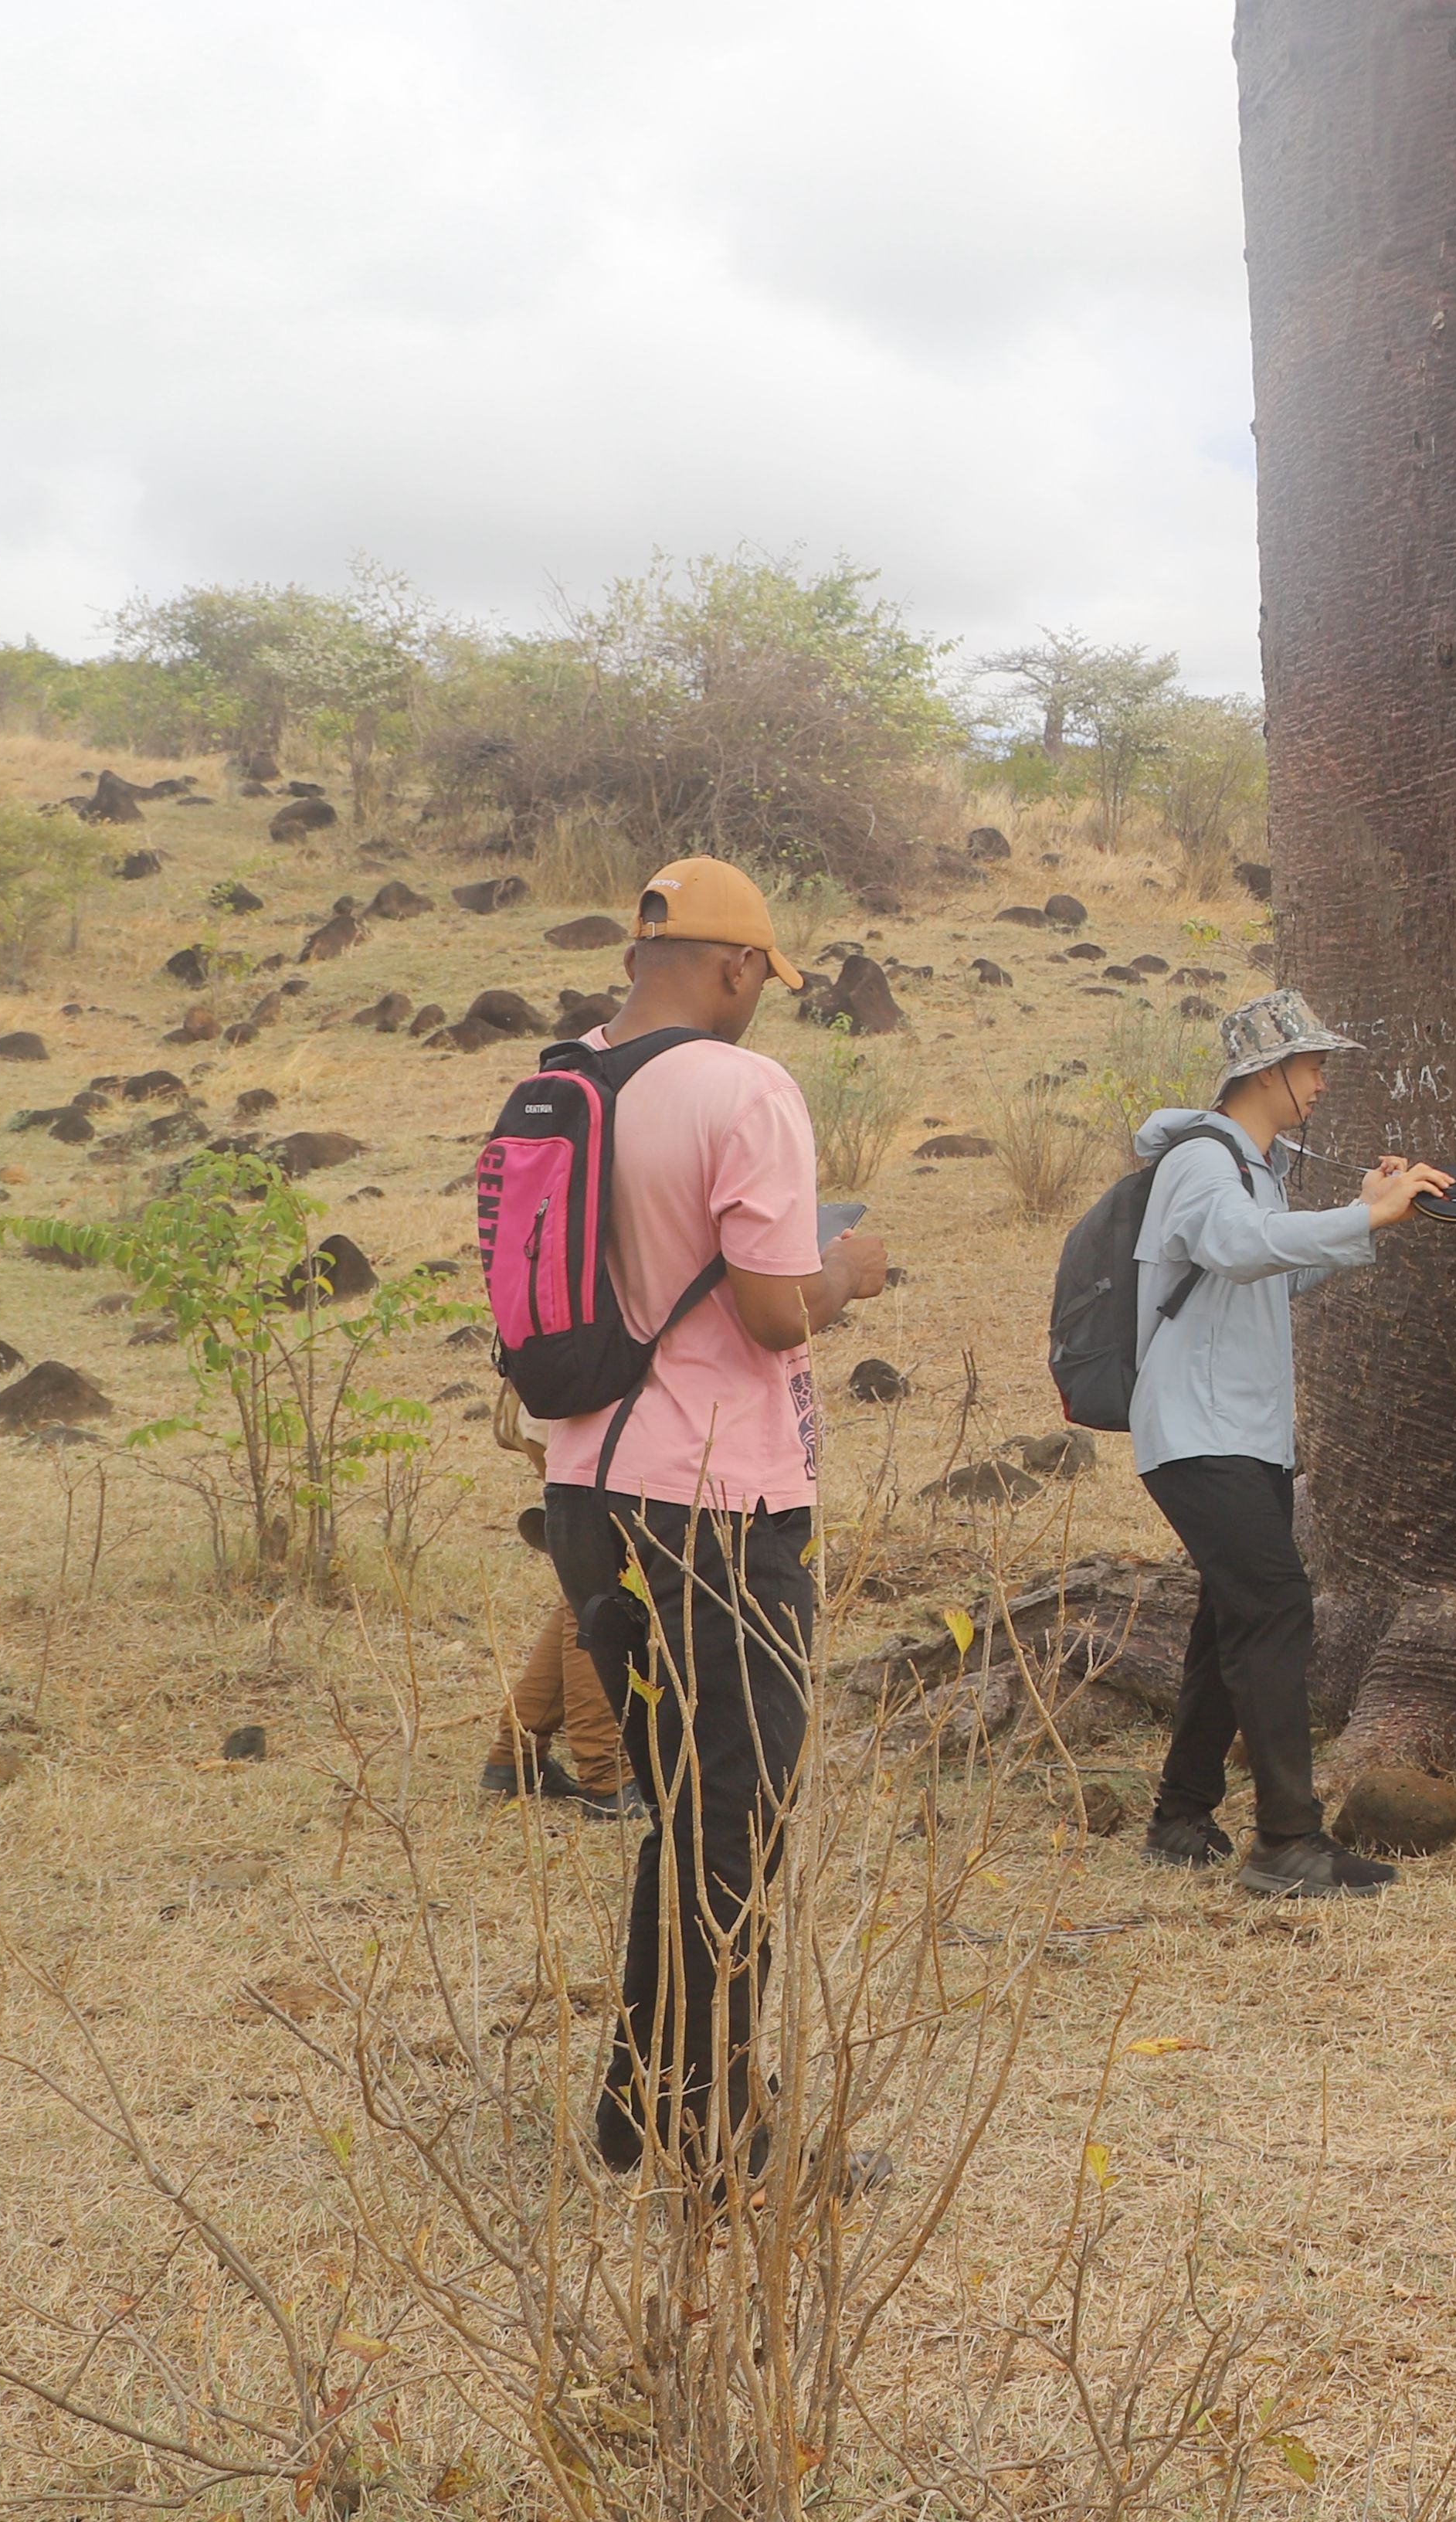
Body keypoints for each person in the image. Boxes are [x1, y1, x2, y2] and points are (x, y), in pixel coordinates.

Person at [532, 856, 892, 2180]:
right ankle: (715, 2126)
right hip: (712, 1506)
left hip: (584, 1489)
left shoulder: (564, 1080)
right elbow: (770, 1309)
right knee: (736, 1819)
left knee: (689, 1815)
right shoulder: (745, 1088)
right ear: (740, 967)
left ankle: (647, 2104)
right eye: (765, 980)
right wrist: (845, 1272)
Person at [1126, 991, 1452, 1901]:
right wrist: (1362, 1220)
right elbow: (1238, 1246)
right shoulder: (1202, 1159)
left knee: (1231, 1621)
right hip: (1200, 1431)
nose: (1320, 1080)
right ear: (1265, 1071)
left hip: (1239, 1433)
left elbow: (1267, 1268)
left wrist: (1368, 1213)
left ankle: (1181, 1817)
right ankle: (1286, 1843)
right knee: (1275, 1612)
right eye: (1312, 1064)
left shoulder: (1251, 1168)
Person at [482, 1380, 636, 1814]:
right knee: (600, 1590)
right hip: (596, 1424)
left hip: (557, 1415)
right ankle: (605, 1774)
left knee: (585, 1589)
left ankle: (517, 1753)